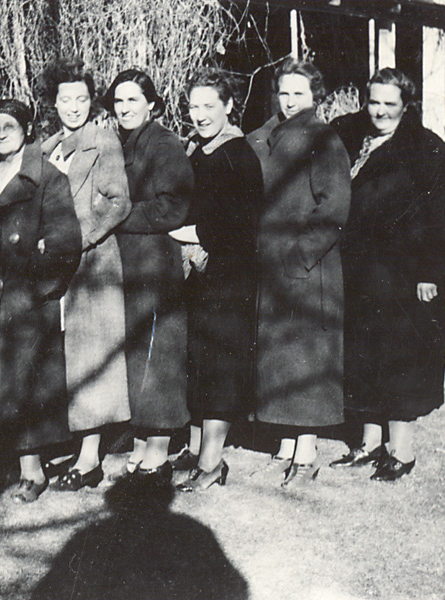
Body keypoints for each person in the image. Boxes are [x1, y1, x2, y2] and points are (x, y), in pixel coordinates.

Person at [329, 68, 445, 481]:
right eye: (374, 102)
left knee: (399, 359)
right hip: (360, 274)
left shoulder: (426, 149)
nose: (380, 111)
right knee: (362, 355)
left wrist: (431, 271)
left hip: (405, 278)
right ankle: (369, 443)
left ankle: (401, 451)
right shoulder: (355, 140)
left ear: (407, 105)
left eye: (390, 103)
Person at [0, 99, 82, 502]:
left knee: (25, 384)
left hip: (26, 302)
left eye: (10, 126)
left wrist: (36, 287)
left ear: (28, 129)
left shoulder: (49, 179)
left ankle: (31, 472)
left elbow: (65, 244)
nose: (1, 133)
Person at [246, 58, 351, 488]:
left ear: (315, 96)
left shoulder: (323, 139)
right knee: (281, 358)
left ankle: (305, 453)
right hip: (274, 267)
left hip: (307, 269)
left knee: (305, 359)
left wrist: (300, 256)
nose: (289, 101)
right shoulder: (269, 136)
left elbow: (334, 207)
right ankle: (286, 445)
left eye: (298, 94)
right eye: (283, 93)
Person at [38, 57, 132, 491]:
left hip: (92, 265)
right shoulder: (46, 148)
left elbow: (118, 202)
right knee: (60, 357)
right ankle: (64, 444)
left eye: (81, 99)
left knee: (91, 357)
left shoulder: (103, 140)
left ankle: (90, 459)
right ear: (54, 102)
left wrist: (80, 239)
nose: (73, 107)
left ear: (91, 101)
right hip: (50, 268)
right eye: (65, 99)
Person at [172, 70, 263, 492]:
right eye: (194, 106)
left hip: (228, 278)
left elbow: (242, 223)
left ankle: (212, 462)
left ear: (228, 106)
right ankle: (196, 451)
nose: (201, 114)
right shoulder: (197, 151)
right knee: (199, 362)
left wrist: (191, 233)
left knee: (221, 366)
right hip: (198, 276)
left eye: (210, 106)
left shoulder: (239, 155)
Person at [104, 68, 193, 481]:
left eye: (133, 100)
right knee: (135, 353)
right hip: (126, 262)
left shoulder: (163, 144)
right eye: (118, 101)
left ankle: (158, 448)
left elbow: (172, 207)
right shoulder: (117, 143)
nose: (124, 108)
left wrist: (117, 216)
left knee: (158, 353)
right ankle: (141, 441)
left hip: (155, 262)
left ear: (151, 105)